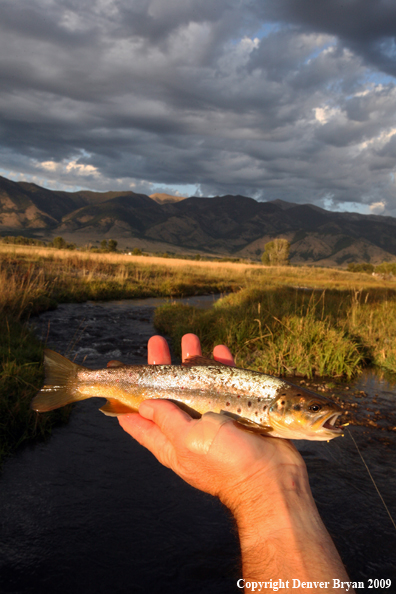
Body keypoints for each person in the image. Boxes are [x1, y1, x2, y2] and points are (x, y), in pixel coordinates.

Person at [117, 334, 354, 594]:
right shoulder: (273, 397)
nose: (320, 414)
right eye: (314, 409)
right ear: (282, 404)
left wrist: (260, 478)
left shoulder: (276, 400)